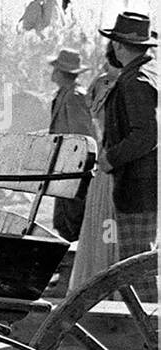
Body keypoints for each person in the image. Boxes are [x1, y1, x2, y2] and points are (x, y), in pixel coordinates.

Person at [96, 12, 157, 261]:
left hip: (138, 188)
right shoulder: (148, 74)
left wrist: (111, 158)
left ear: (118, 45)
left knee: (136, 267)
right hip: (145, 186)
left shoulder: (135, 81)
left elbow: (146, 136)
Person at [68, 64, 121, 291]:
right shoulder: (113, 84)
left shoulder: (106, 83)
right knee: (109, 227)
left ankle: (103, 276)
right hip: (112, 166)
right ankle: (107, 280)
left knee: (106, 227)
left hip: (109, 164)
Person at [46, 47, 95, 241]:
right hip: (64, 167)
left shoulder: (74, 97)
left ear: (62, 73)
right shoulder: (64, 95)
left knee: (73, 219)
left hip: (74, 167)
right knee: (63, 221)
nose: (53, 73)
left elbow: (82, 136)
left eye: (56, 69)